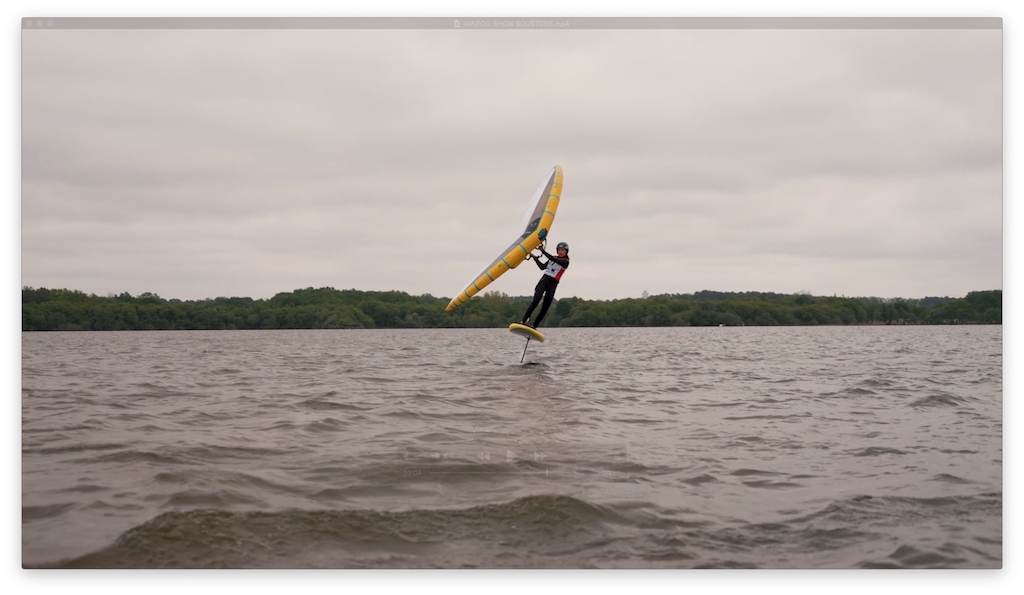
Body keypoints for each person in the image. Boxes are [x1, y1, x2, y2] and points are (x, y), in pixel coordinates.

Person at [521, 241, 569, 328]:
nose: (560, 252)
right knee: (535, 301)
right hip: (544, 281)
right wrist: (534, 258)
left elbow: (554, 260)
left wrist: (542, 251)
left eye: (563, 250)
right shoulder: (553, 258)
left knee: (545, 308)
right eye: (559, 250)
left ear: (566, 252)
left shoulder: (565, 262)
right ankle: (524, 321)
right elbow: (542, 267)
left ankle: (534, 326)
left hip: (552, 285)